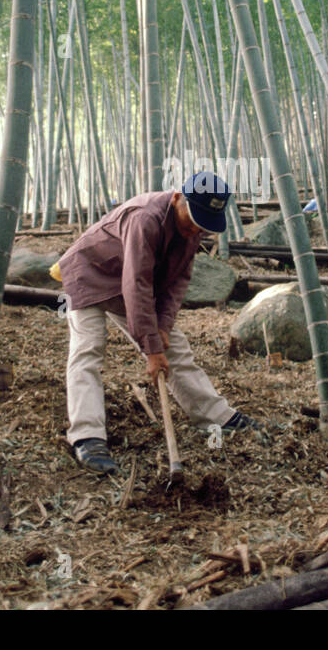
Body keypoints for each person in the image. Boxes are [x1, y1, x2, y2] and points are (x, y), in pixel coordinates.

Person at [53, 172, 260, 474]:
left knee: (174, 347)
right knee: (88, 350)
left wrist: (162, 327)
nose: (194, 230)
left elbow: (178, 282)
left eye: (202, 225)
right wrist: (151, 350)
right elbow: (136, 284)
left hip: (127, 283)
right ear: (177, 197)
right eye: (192, 220)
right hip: (89, 274)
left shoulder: (193, 228)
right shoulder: (144, 219)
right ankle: (87, 436)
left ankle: (217, 416)